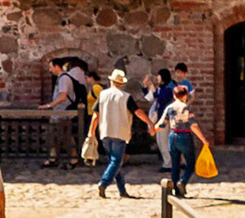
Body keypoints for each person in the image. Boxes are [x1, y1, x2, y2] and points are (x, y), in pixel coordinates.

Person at [88, 69, 149, 199]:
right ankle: (103, 183)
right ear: (121, 84)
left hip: (105, 131)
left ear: (111, 81)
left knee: (114, 162)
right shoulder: (125, 97)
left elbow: (95, 115)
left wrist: (91, 131)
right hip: (120, 132)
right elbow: (138, 112)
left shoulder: (102, 95)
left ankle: (122, 189)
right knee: (116, 161)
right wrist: (150, 123)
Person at [160, 83, 205, 197]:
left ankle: (176, 188)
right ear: (185, 96)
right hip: (185, 136)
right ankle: (183, 181)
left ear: (174, 95)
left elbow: (162, 123)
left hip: (172, 135)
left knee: (175, 164)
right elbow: (193, 125)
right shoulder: (185, 108)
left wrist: (153, 129)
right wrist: (204, 140)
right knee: (190, 162)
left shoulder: (169, 108)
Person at [45, 57, 79, 168]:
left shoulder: (64, 79)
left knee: (66, 136)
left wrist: (50, 105)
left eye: (51, 67)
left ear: (57, 66)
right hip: (58, 113)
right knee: (56, 136)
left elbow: (63, 96)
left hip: (62, 113)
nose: (50, 70)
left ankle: (73, 159)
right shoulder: (61, 78)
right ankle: (53, 158)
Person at [149, 69, 176, 171]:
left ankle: (168, 164)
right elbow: (155, 96)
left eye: (159, 76)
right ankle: (168, 162)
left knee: (163, 141)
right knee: (161, 141)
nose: (157, 78)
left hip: (164, 118)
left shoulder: (167, 89)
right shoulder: (162, 88)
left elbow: (161, 99)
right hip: (161, 118)